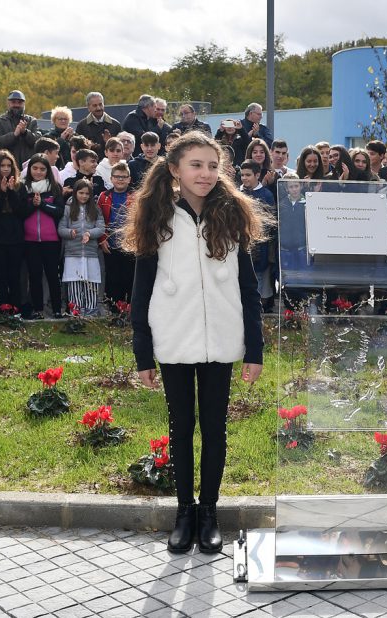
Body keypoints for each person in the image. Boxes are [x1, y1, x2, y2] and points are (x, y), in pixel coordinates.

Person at [128, 131, 265, 554]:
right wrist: (142, 352)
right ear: (174, 170)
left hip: (221, 341)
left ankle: (209, 512)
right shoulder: (158, 217)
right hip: (174, 338)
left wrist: (255, 349)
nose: (205, 173)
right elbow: (141, 289)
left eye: (212, 165)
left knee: (215, 429)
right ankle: (184, 511)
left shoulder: (231, 216)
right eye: (195, 165)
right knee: (181, 427)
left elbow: (248, 288)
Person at [17, 154, 64, 319]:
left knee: (52, 275)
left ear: (47, 171)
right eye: (35, 168)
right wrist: (33, 205)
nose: (38, 172)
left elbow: (59, 210)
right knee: (34, 275)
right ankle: (37, 309)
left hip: (51, 239)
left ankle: (57, 309)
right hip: (30, 240)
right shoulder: (22, 187)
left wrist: (42, 204)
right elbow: (20, 212)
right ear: (29, 170)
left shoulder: (55, 187)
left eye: (42, 169)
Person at [0, 151, 25, 311]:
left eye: (9, 166)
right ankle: (3, 307)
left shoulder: (19, 186)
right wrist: (1, 192)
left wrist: (11, 192)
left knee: (15, 276)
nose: (6, 169)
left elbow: (21, 211)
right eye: (2, 166)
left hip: (15, 238)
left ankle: (16, 308)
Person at [59, 180, 105, 316]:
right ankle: (76, 310)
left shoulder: (95, 208)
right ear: (75, 192)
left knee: (91, 281)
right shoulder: (68, 208)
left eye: (87, 193)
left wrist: (90, 233)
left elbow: (101, 228)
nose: (84, 196)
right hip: (73, 252)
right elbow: (61, 228)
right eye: (81, 193)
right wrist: (69, 233)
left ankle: (91, 310)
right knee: (74, 282)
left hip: (91, 253)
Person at [239, 159, 277, 313]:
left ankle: (259, 310)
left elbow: (271, 221)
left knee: (260, 279)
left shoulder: (266, 195)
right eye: (242, 175)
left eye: (248, 175)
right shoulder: (237, 192)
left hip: (261, 246)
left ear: (257, 175)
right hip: (241, 244)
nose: (244, 178)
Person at [97, 162, 133, 305]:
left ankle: (128, 308)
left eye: (124, 177)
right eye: (117, 177)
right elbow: (99, 219)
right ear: (111, 178)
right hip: (109, 244)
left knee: (129, 276)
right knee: (113, 277)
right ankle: (114, 308)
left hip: (129, 244)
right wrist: (102, 239)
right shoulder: (103, 196)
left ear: (129, 179)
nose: (120, 180)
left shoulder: (135, 196)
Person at [0, 90, 40, 168]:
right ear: (8, 103)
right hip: (7, 167)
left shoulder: (32, 121)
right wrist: (14, 135)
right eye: (14, 102)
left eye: (19, 102)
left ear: (24, 104)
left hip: (28, 168)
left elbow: (38, 142)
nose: (17, 105)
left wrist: (25, 132)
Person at [75, 93, 122, 161]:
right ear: (88, 107)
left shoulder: (115, 124)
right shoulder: (82, 126)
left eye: (100, 104)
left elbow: (121, 148)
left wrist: (110, 142)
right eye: (94, 105)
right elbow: (78, 150)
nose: (98, 108)